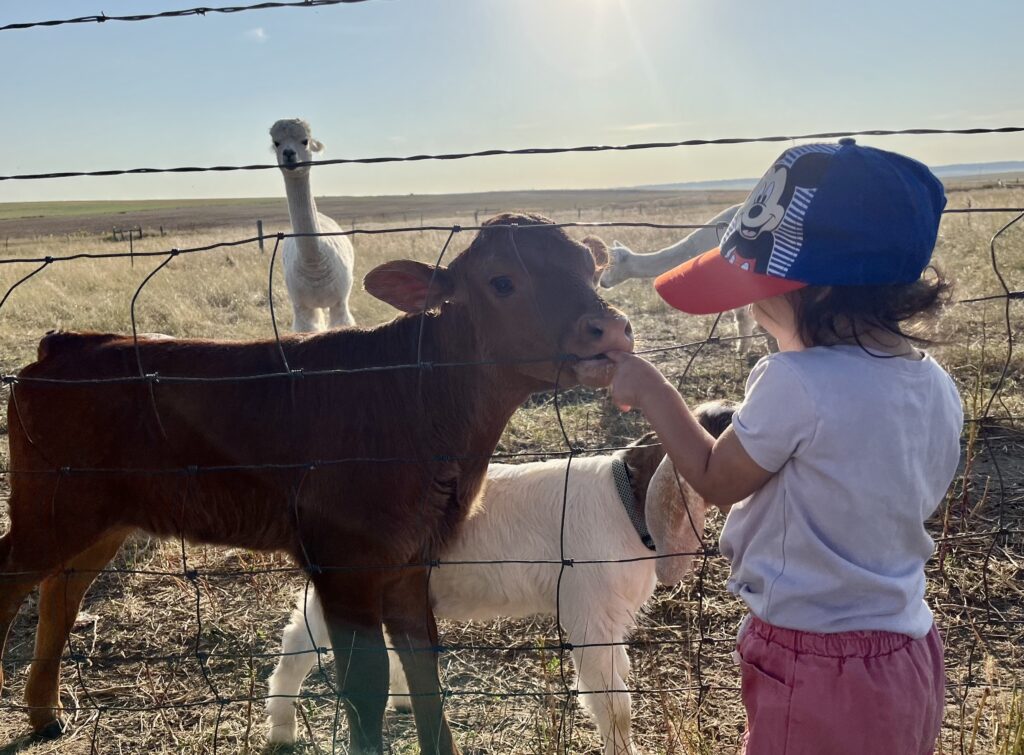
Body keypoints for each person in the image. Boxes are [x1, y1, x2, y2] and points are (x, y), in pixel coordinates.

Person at [606, 139, 963, 755]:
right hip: (908, 648)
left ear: (817, 292)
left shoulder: (796, 382)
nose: (750, 305)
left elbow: (716, 481)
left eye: (755, 289)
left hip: (812, 659)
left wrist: (654, 390)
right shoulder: (934, 382)